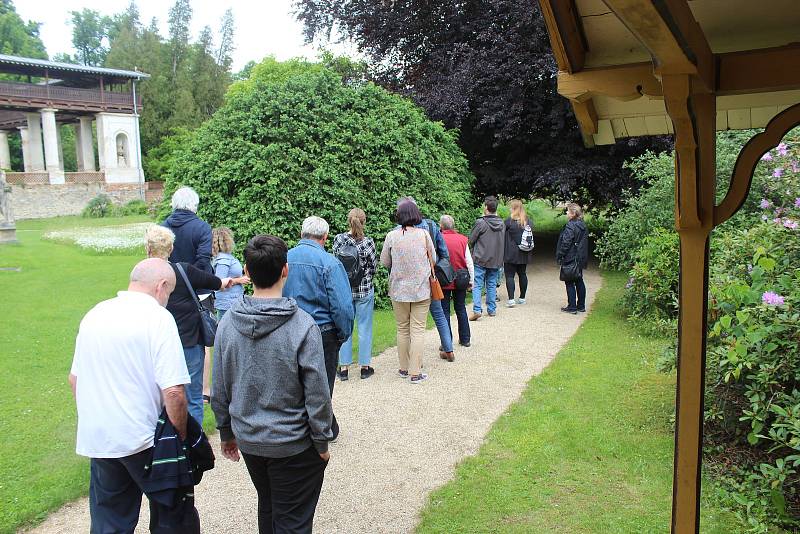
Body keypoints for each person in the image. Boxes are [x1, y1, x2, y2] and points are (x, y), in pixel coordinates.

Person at [212, 235, 333, 534]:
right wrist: (321, 441)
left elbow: (219, 386)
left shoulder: (227, 322)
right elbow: (318, 393)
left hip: (253, 439)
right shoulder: (302, 325)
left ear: (247, 272)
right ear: (285, 271)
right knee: (290, 520)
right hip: (291, 443)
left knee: (269, 508)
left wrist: (227, 431)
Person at [69, 258, 200, 533]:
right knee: (173, 514)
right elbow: (174, 391)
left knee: (109, 521)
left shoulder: (95, 313)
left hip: (101, 436)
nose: (167, 299)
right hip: (144, 437)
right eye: (170, 293)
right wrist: (180, 437)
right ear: (161, 286)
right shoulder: (158, 318)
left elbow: (75, 379)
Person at [146, 224, 235, 426]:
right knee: (193, 395)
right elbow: (215, 282)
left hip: (156, 344)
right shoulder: (183, 270)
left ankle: (167, 441)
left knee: (160, 395)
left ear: (148, 250)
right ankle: (193, 445)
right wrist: (227, 281)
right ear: (170, 249)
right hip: (189, 342)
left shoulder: (143, 276)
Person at [283, 216, 353, 436]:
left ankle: (306, 425)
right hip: (321, 331)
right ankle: (321, 429)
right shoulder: (330, 263)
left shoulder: (284, 259)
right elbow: (342, 307)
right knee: (321, 384)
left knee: (293, 381)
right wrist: (342, 334)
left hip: (288, 327)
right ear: (325, 237)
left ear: (301, 233)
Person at [163, 186, 216, 412]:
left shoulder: (162, 227)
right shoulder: (201, 227)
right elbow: (203, 261)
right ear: (194, 206)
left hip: (166, 293)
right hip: (194, 294)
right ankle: (194, 440)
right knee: (196, 349)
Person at [381, 200, 437, 382]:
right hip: (421, 289)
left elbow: (385, 262)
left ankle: (404, 368)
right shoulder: (424, 234)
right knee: (418, 330)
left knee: (402, 329)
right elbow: (433, 259)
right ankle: (415, 372)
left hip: (398, 290)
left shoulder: (391, 236)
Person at [397, 197, 455, 361]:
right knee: (439, 315)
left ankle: (411, 359)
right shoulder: (431, 225)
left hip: (407, 282)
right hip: (430, 278)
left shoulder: (397, 230)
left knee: (408, 323)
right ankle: (449, 349)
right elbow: (444, 253)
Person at [333, 208, 377, 381]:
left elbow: (335, 265)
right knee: (365, 327)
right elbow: (373, 267)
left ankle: (343, 368)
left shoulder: (339, 239)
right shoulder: (368, 242)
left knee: (345, 327)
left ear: (348, 220)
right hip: (364, 290)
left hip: (344, 290)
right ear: (364, 221)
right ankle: (365, 368)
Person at [207, 226, 249, 402]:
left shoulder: (226, 258)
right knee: (226, 340)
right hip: (227, 304)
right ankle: (227, 376)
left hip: (233, 300)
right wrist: (240, 280)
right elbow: (220, 283)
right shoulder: (223, 261)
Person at [468, 196, 506, 320]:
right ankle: (492, 309)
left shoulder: (481, 223)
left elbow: (471, 240)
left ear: (486, 207)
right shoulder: (502, 223)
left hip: (480, 258)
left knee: (478, 284)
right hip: (496, 259)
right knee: (491, 284)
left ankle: (477, 309)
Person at [440, 214, 474, 348]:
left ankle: (446, 342)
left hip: (444, 278)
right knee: (460, 308)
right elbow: (469, 262)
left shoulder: (439, 239)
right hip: (461, 278)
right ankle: (465, 339)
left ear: (441, 226)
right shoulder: (462, 239)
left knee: (444, 311)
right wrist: (471, 281)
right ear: (453, 225)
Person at [556, 203, 589, 314]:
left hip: (571, 256)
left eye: (568, 211)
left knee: (569, 281)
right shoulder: (582, 224)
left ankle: (572, 307)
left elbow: (566, 242)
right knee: (579, 279)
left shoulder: (571, 225)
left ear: (573, 213)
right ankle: (581, 306)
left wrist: (561, 254)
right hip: (580, 256)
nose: (566, 213)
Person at [503, 199, 535, 308]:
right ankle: (522, 298)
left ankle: (511, 299)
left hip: (510, 253)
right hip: (524, 252)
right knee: (522, 274)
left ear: (513, 208)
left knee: (510, 276)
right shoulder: (528, 221)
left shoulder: (508, 222)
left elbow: (502, 234)